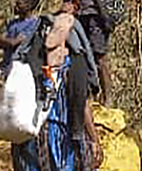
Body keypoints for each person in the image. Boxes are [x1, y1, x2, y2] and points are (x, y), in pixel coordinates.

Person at [10, 12, 104, 171]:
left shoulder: (29, 62)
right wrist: (94, 140)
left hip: (30, 135)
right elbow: (81, 105)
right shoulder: (73, 66)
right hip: (61, 137)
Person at [0, 0, 42, 79]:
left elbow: (14, 42)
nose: (16, 6)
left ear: (29, 6)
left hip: (19, 68)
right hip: (6, 66)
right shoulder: (12, 23)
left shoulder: (34, 24)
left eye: (19, 4)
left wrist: (5, 41)